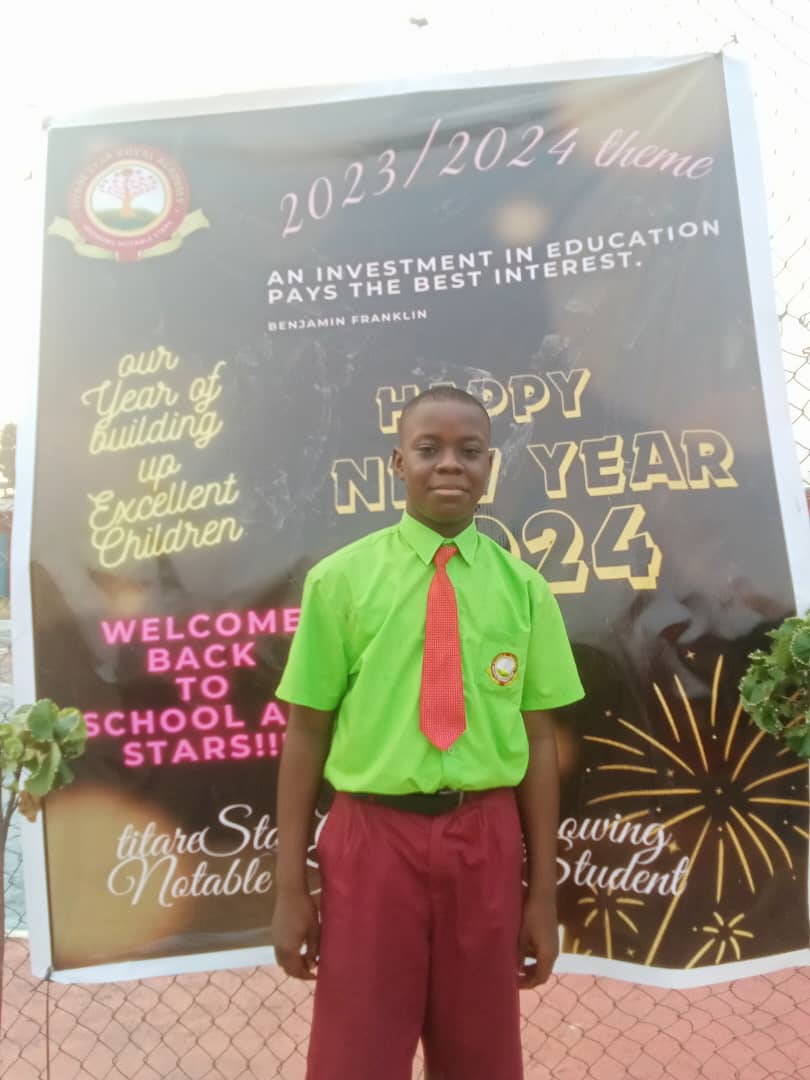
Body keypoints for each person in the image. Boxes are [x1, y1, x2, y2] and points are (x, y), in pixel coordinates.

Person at [272, 386, 584, 1080]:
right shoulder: (339, 582)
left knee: (481, 1053)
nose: (449, 464)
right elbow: (305, 732)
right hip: (371, 839)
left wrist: (541, 894)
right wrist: (289, 885)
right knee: (356, 1054)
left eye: (469, 451)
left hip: (485, 837)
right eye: (428, 449)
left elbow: (538, 742)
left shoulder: (524, 590)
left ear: (490, 466)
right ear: (397, 462)